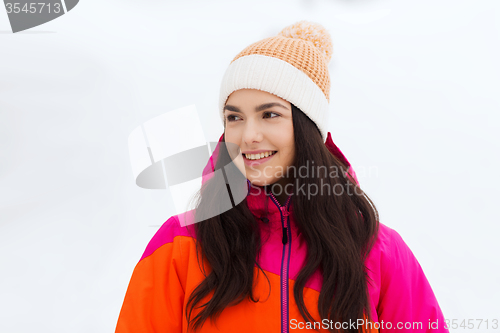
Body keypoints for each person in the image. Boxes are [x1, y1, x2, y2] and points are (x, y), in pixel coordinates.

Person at [115, 21, 449, 333]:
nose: (248, 136)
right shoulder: (181, 243)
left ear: (309, 127)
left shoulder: (376, 250)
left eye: (270, 114)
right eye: (235, 118)